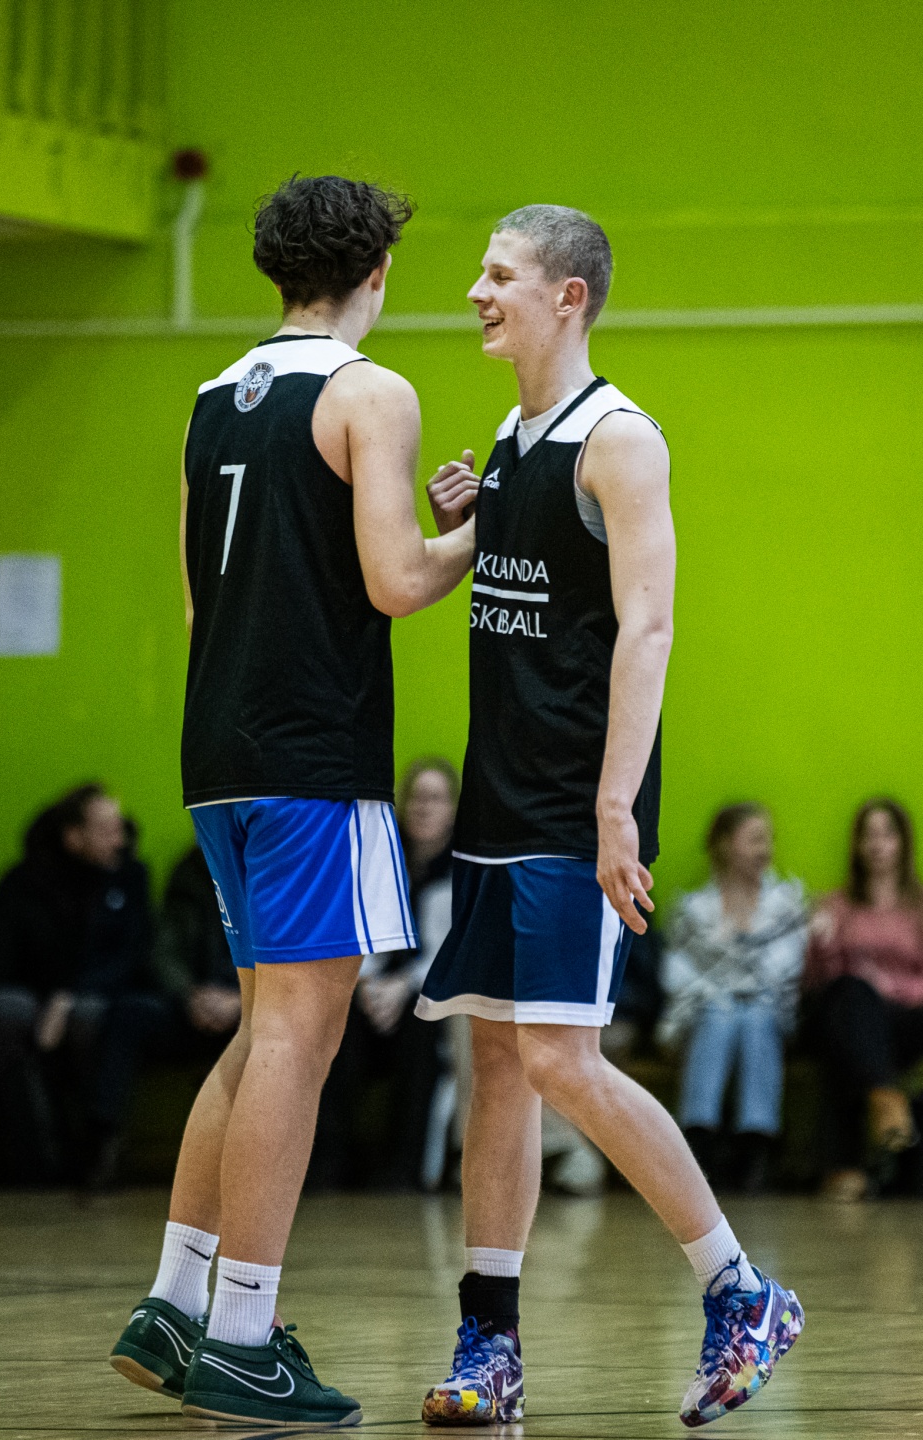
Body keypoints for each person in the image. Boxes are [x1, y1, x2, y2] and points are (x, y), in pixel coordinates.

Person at [414, 205, 804, 1429]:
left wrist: (614, 808)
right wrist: (475, 520)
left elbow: (649, 628)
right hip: (495, 797)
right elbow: (539, 596)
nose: (477, 291)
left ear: (567, 296)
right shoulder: (512, 435)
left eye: (500, 274)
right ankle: (490, 1342)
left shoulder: (620, 439)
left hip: (572, 807)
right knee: (496, 1061)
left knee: (557, 1058)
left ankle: (741, 1290)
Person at [110, 174, 478, 1429]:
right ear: (377, 270)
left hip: (218, 748)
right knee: (297, 1042)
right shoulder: (373, 392)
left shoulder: (213, 396)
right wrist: (476, 533)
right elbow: (394, 582)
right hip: (314, 755)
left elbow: (205, 598)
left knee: (263, 1029)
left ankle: (175, 1304)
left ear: (277, 269)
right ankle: (245, 1335)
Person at [0, 784, 160, 1188]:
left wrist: (68, 998)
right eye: (107, 830)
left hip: (97, 998)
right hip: (32, 1001)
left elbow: (133, 959)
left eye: (120, 828)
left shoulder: (127, 878)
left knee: (92, 1016)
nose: (120, 840)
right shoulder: (22, 884)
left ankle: (92, 1152)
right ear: (73, 837)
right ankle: (26, 1156)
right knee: (6, 1009)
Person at [310, 757, 458, 1191]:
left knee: (422, 1023)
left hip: (429, 995)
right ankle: (331, 1161)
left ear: (453, 810)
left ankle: (405, 1166)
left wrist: (404, 986)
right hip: (375, 991)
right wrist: (366, 985)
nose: (424, 808)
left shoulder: (464, 872)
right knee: (337, 1022)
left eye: (435, 799)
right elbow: (358, 935)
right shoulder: (381, 861)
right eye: (416, 798)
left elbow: (452, 953)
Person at [660, 804, 808, 1192]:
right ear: (726, 845)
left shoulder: (785, 905)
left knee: (755, 1016)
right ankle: (701, 1140)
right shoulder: (692, 910)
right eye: (755, 839)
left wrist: (736, 984)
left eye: (769, 839)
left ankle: (753, 1146)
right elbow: (679, 976)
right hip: (703, 1012)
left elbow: (786, 969)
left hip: (769, 1009)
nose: (766, 848)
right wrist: (729, 989)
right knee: (719, 1014)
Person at [805, 798, 923, 1202]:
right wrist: (819, 944)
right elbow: (818, 981)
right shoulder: (835, 905)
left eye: (887, 834)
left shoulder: (918, 907)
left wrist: (888, 986)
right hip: (851, 1013)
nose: (877, 844)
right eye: (868, 835)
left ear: (903, 843)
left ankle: (844, 1166)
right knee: (851, 997)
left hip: (906, 1017)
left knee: (852, 1036)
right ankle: (885, 1097)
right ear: (856, 845)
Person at [153, 845, 242, 1058]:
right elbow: (163, 951)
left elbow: (290, 961)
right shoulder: (188, 875)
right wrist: (190, 994)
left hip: (255, 1001)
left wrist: (241, 1001)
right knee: (129, 1014)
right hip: (195, 998)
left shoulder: (272, 872)